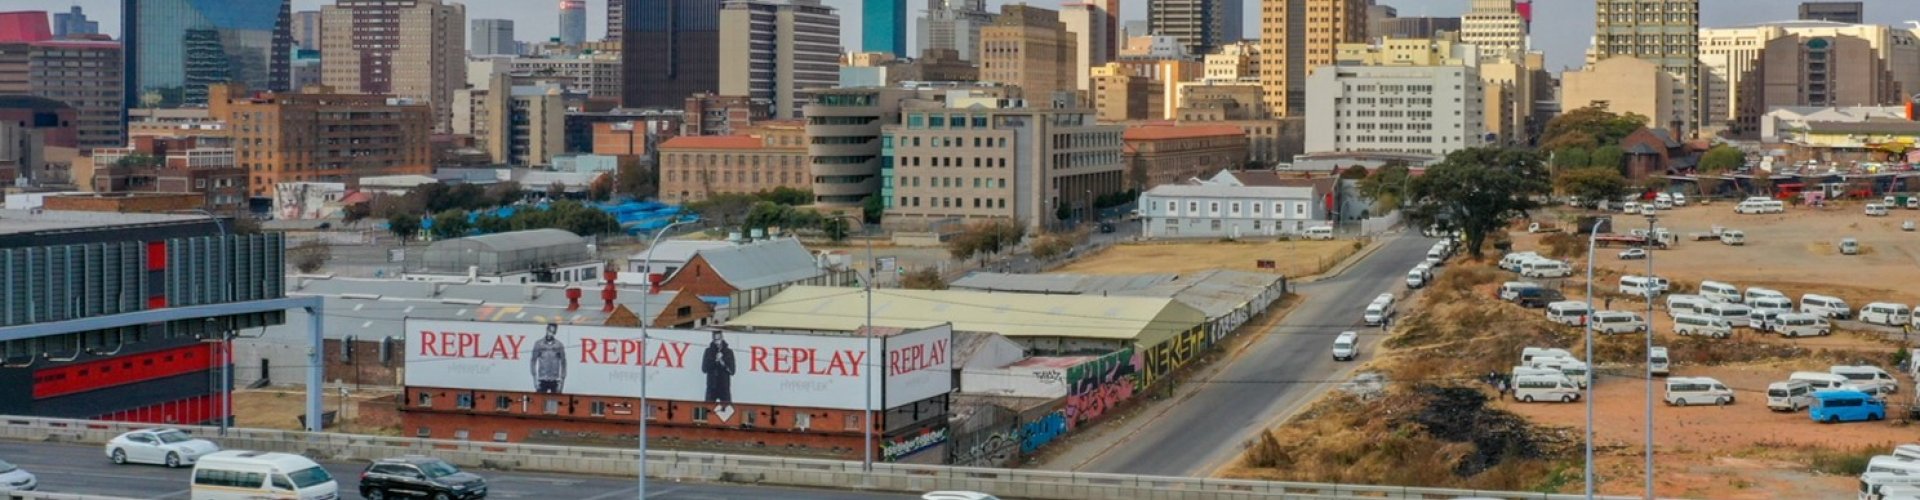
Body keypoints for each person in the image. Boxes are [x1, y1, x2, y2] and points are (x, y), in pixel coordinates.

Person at [701, 330, 737, 413]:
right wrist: (715, 360)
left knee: (728, 412)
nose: (717, 342)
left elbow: (732, 371)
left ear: (722, 338)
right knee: (708, 411)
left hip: (724, 386)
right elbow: (704, 369)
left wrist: (722, 362)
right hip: (711, 386)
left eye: (718, 339)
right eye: (715, 340)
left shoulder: (728, 352)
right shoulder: (708, 351)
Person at [530, 323, 567, 394]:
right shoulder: (539, 344)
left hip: (555, 380)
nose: (550, 334)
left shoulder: (559, 345)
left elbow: (563, 362)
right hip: (542, 379)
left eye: (553, 332)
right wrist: (535, 379)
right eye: (549, 331)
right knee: (539, 401)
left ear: (555, 333)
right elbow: (533, 361)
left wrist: (562, 382)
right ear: (546, 330)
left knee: (556, 401)